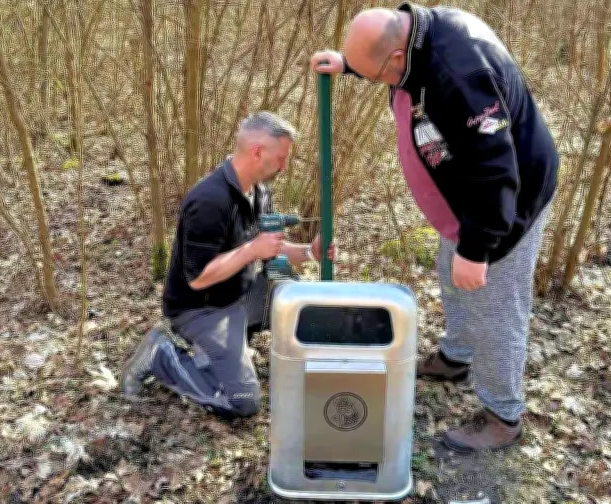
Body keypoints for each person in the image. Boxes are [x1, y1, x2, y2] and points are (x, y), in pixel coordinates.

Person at [310, 2, 558, 452]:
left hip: (507, 204)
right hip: (466, 199)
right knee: (450, 273)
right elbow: (384, 56)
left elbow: (495, 171)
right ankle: (456, 357)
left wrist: (478, 249)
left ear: (397, 57)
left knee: (494, 309)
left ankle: (503, 416)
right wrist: (350, 65)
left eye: (377, 75)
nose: (378, 82)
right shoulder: (414, 36)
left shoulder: (461, 78)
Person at [120, 111, 335, 419]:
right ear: (257, 152)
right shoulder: (209, 200)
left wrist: (310, 253)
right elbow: (198, 278)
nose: (284, 167)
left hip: (241, 297)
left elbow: (269, 248)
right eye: (281, 158)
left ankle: (251, 349)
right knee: (243, 402)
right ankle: (161, 355)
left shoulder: (259, 192)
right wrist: (251, 250)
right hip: (202, 310)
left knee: (299, 300)